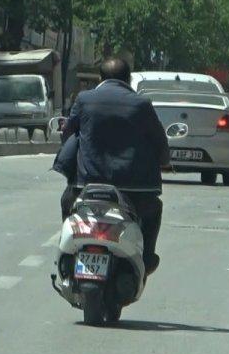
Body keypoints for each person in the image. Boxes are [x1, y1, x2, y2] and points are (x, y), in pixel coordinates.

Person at [62, 57, 170, 274]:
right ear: (128, 79)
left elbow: (67, 134)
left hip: (87, 185)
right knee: (153, 210)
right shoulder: (141, 104)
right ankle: (147, 258)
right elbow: (159, 141)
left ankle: (68, 251)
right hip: (135, 189)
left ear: (100, 78)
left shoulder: (85, 99)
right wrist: (164, 161)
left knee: (67, 201)